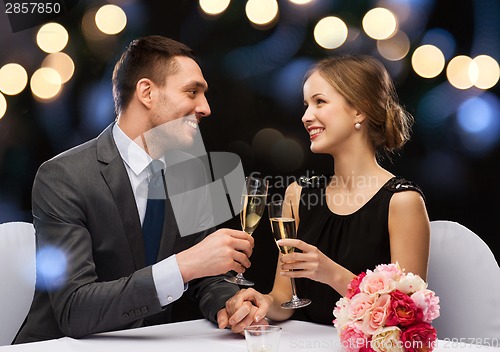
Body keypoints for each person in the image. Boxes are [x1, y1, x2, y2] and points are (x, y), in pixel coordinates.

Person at [14, 35, 261, 344]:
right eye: (192, 92)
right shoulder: (64, 176)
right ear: (146, 92)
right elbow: (75, 310)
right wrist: (182, 266)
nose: (205, 108)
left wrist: (230, 303)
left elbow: (206, 278)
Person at [224, 55, 430, 325]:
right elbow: (285, 299)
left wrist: (330, 273)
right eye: (306, 105)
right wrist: (262, 302)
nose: (306, 116)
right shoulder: (298, 195)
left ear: (360, 110)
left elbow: (406, 316)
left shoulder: (402, 201)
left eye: (319, 102)